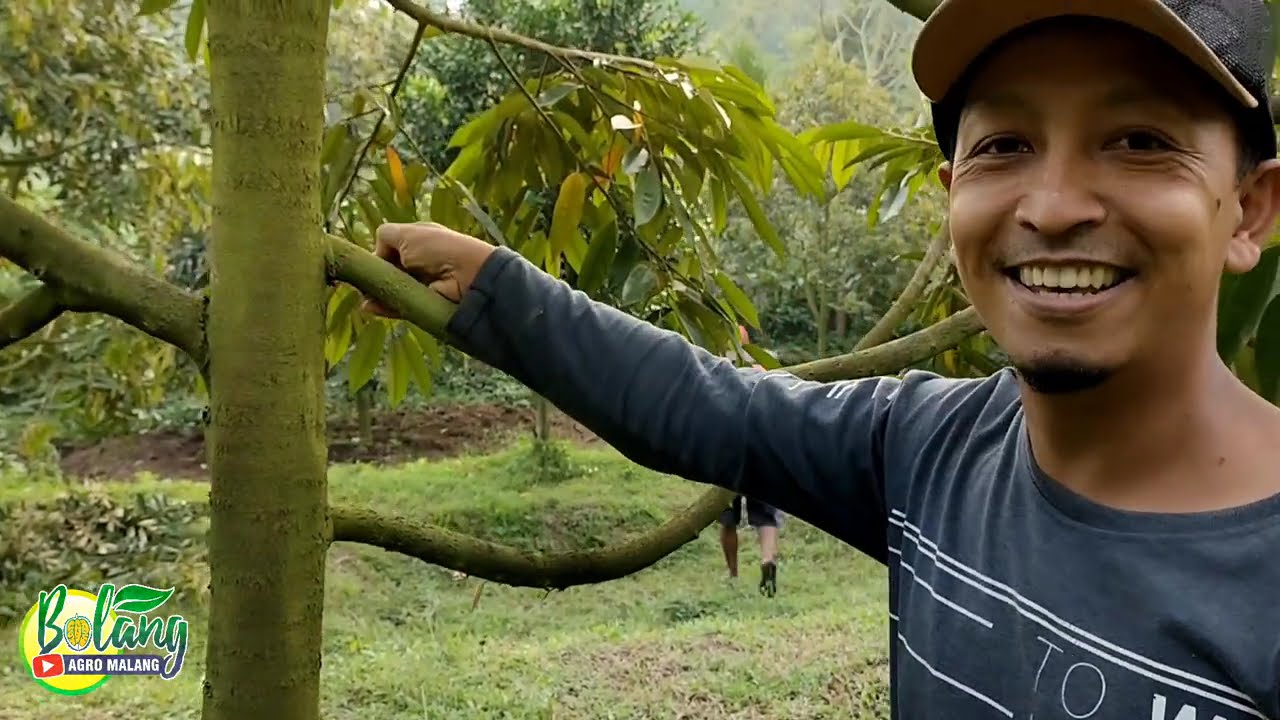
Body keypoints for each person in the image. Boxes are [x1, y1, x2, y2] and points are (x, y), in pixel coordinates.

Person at [360, 0, 1280, 715]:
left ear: (1250, 210)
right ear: (952, 193)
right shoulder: (927, 448)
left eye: (1140, 143)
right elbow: (709, 407)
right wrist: (497, 290)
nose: (1052, 206)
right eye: (1006, 145)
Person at [719, 325, 783, 596]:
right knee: (766, 514)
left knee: (727, 517)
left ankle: (733, 575)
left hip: (727, 449)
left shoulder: (718, 368)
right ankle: (767, 560)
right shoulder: (762, 367)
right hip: (761, 446)